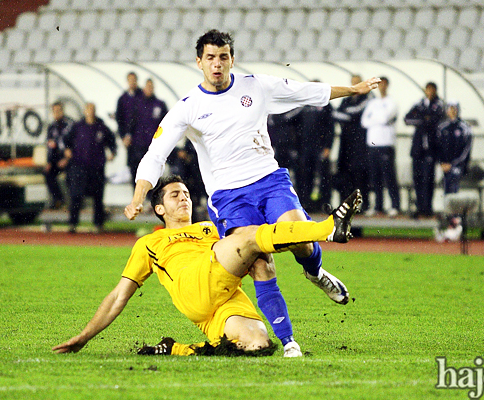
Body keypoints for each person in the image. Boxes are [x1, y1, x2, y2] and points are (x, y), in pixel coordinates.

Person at [124, 29, 380, 357]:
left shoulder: (255, 86)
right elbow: (155, 154)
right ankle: (289, 342)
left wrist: (353, 89)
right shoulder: (188, 107)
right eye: (211, 58)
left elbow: (305, 91)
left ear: (232, 59)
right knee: (261, 260)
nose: (217, 64)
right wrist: (137, 197)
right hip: (229, 196)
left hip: (269, 180)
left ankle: (315, 271)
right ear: (199, 62)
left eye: (224, 57)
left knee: (300, 240)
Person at [53, 175, 362, 357]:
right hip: (196, 284)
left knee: (256, 343)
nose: (184, 199)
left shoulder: (209, 227)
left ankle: (176, 349)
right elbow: (119, 295)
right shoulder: (149, 243)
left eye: (186, 194)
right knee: (249, 239)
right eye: (175, 195)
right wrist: (84, 337)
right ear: (159, 208)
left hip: (222, 296)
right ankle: (327, 229)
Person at [61, 103, 117, 233]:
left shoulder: (101, 127)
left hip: (97, 167)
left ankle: (98, 224)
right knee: (76, 195)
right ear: (85, 111)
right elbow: (65, 140)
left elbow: (112, 141)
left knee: (98, 197)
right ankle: (72, 224)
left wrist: (112, 153)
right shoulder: (77, 126)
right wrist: (67, 150)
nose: (90, 112)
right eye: (88, 109)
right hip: (79, 166)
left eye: (92, 109)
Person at [286, 81, 335, 211]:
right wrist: (295, 146)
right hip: (304, 148)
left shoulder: (325, 104)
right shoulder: (302, 104)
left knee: (322, 177)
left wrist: (328, 147)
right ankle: (305, 204)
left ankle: (324, 204)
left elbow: (331, 127)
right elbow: (293, 125)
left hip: (320, 147)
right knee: (305, 176)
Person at [360, 76, 400, 217]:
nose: (382, 87)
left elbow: (385, 118)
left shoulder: (392, 102)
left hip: (386, 143)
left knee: (389, 177)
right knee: (375, 177)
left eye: (384, 84)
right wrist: (377, 119)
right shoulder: (372, 102)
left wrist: (374, 119)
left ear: (387, 85)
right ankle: (378, 206)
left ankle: (395, 205)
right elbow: (364, 121)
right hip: (372, 144)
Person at [404, 82, 444, 218]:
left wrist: (423, 120)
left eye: (432, 89)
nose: (430, 92)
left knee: (428, 179)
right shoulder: (419, 104)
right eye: (428, 89)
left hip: (430, 149)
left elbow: (435, 120)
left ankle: (428, 207)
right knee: (417, 178)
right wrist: (423, 119)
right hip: (417, 148)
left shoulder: (438, 105)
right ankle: (420, 207)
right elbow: (407, 118)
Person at [434, 101, 472, 242]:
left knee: (454, 192)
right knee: (446, 194)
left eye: (454, 108)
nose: (452, 111)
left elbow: (466, 150)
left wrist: (453, 163)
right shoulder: (442, 127)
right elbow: (437, 146)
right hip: (444, 166)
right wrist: (442, 162)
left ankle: (456, 223)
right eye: (450, 108)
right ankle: (452, 223)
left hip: (457, 166)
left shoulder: (464, 128)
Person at [334, 74, 372, 210]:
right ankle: (346, 205)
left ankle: (363, 205)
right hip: (346, 143)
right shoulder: (347, 100)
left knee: (360, 173)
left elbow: (353, 114)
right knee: (345, 172)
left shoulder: (368, 98)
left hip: (360, 143)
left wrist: (344, 115)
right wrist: (345, 115)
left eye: (357, 83)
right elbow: (337, 113)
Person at [128, 79, 167, 184]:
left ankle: (152, 198)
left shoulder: (160, 104)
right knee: (138, 172)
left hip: (154, 145)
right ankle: (138, 197)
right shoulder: (137, 104)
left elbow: (167, 124)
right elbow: (130, 123)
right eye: (148, 87)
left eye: (151, 87)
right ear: (144, 88)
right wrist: (127, 136)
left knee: (153, 173)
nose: (149, 89)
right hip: (138, 145)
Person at [44, 101, 74, 209]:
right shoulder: (51, 127)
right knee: (48, 173)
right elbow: (50, 146)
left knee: (70, 175)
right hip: (57, 160)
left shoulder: (70, 125)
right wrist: (49, 161)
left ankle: (72, 203)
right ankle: (58, 199)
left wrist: (66, 159)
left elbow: (74, 145)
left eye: (58, 110)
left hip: (70, 160)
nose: (56, 113)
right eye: (54, 111)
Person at [115, 71, 143, 179]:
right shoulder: (122, 99)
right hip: (130, 140)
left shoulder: (142, 96)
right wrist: (123, 136)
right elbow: (120, 119)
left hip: (142, 138)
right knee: (133, 166)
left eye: (134, 80)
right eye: (130, 80)